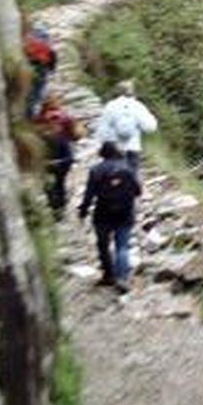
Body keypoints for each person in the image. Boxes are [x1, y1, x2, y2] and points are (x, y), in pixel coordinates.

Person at [78, 142, 141, 292]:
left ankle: (108, 275)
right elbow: (138, 191)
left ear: (102, 154)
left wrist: (83, 210)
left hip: (103, 213)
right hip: (125, 213)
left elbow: (89, 194)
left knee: (103, 245)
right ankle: (122, 278)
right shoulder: (129, 168)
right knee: (123, 246)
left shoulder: (96, 170)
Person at [96, 80, 158, 175]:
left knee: (113, 178)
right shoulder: (138, 106)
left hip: (113, 149)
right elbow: (150, 127)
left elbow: (102, 130)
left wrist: (102, 145)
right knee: (130, 181)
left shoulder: (110, 106)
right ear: (132, 92)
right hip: (132, 148)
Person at [34, 96, 81, 220]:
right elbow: (76, 135)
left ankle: (54, 205)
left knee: (49, 184)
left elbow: (33, 137)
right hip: (63, 155)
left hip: (46, 157)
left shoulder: (38, 119)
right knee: (60, 182)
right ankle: (60, 207)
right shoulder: (65, 117)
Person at [22, 25, 57, 118]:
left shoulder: (29, 42)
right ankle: (33, 113)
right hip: (42, 69)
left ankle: (29, 112)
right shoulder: (47, 43)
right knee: (38, 91)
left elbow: (24, 53)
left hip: (29, 68)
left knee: (31, 92)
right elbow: (53, 56)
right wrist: (52, 70)